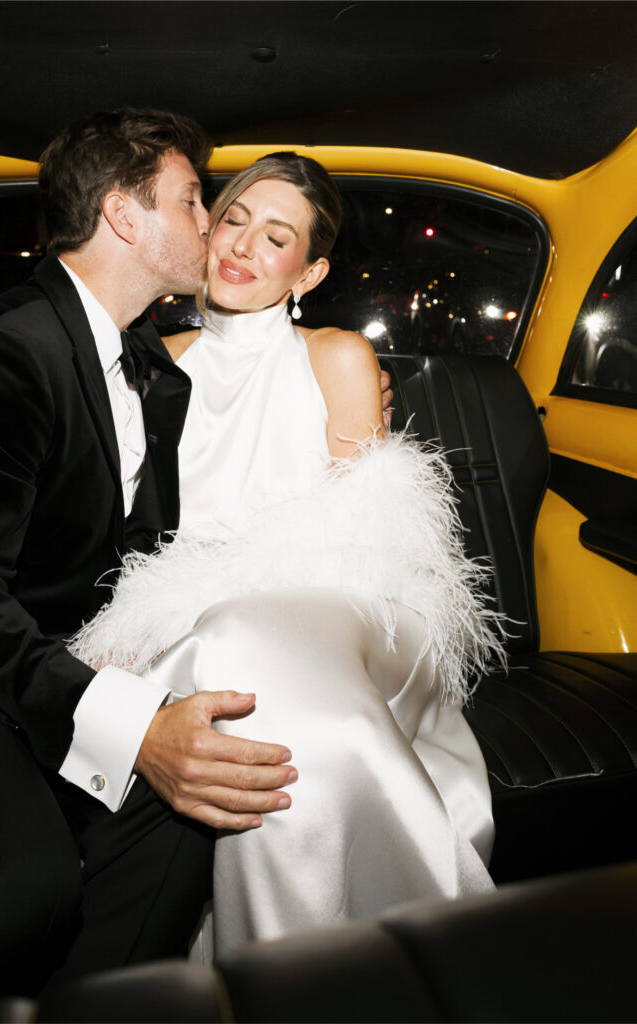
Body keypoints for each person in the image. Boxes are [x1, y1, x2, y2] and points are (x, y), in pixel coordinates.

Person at [0, 112, 384, 1019]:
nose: (214, 226)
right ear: (125, 218)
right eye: (192, 201)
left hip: (68, 657)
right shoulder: (2, 351)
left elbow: (143, 554)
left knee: (197, 808)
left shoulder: (150, 368)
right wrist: (128, 723)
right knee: (18, 894)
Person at [69, 152, 504, 957]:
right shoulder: (152, 366)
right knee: (231, 648)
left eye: (275, 238)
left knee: (244, 636)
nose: (240, 247)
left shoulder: (336, 358)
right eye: (230, 220)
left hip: (347, 623)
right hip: (201, 635)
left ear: (309, 272)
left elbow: (367, 548)